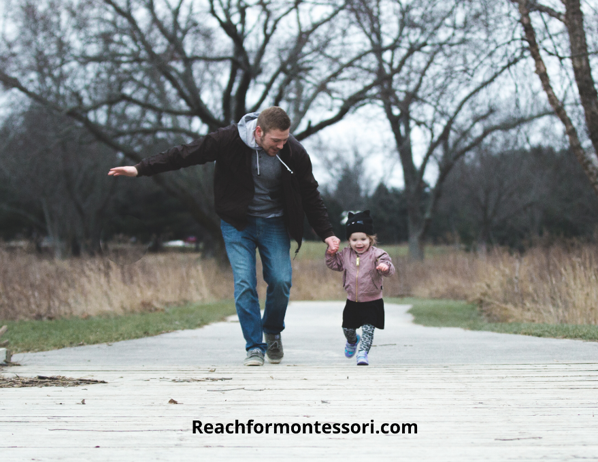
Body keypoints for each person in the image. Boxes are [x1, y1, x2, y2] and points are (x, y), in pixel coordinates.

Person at [108, 107, 341, 366]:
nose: (281, 145)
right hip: (237, 223)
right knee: (244, 283)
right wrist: (140, 169)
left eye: (285, 139)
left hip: (274, 223)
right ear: (259, 131)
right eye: (276, 141)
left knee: (281, 281)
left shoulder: (293, 151)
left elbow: (310, 193)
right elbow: (185, 154)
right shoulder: (228, 139)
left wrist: (327, 234)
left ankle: (272, 330)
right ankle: (254, 346)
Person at [325, 210, 395, 366]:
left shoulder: (378, 254)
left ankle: (363, 354)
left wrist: (385, 267)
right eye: (354, 239)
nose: (359, 243)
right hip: (352, 301)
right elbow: (333, 264)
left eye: (363, 239)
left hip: (372, 301)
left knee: (368, 330)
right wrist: (330, 254)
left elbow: (390, 267)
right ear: (349, 241)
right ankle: (352, 340)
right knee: (347, 329)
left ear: (370, 239)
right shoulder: (345, 255)